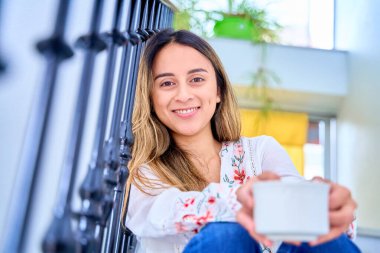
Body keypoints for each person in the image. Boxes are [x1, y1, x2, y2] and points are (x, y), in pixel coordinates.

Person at [123, 28, 360, 253]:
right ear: (151, 98)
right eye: (167, 83)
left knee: (321, 233)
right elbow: (161, 213)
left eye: (196, 79)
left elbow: (293, 196)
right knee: (228, 234)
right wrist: (241, 203)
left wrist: (326, 206)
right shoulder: (142, 172)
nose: (184, 95)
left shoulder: (261, 151)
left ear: (218, 91)